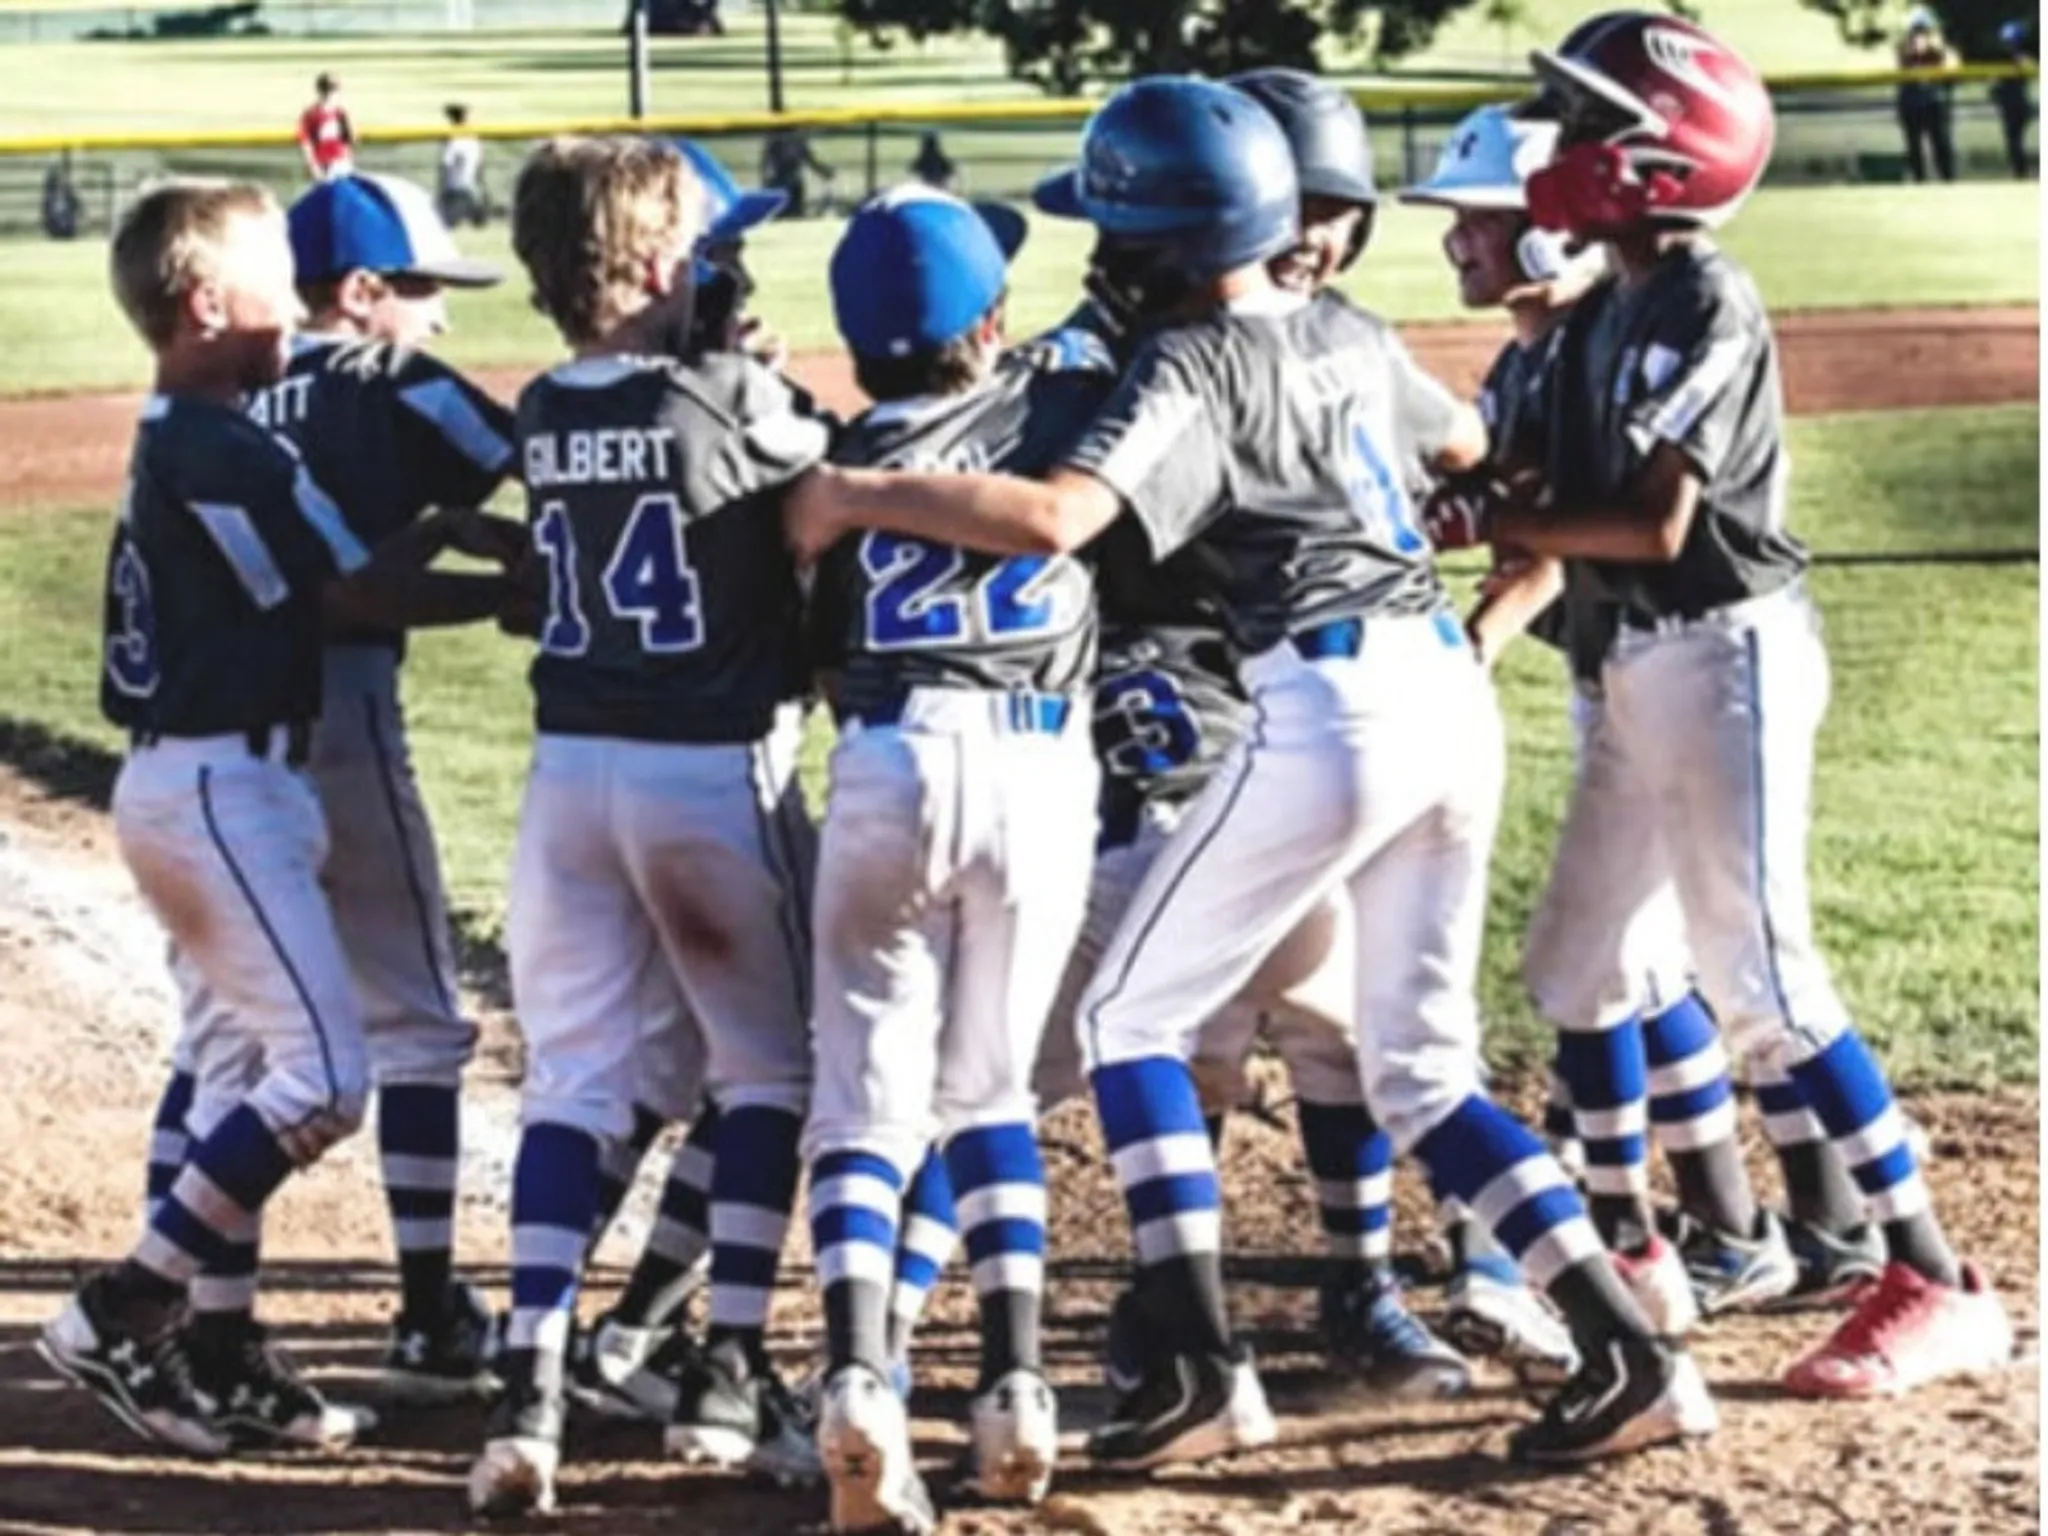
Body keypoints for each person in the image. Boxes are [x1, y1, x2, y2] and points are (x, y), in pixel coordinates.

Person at [784, 76, 1717, 1469]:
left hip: (1327, 705)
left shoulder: (1186, 361)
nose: (1107, 257)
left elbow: (1056, 518)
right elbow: (1468, 453)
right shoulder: (1348, 325)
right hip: (1444, 690)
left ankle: (1202, 1369)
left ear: (1163, 243)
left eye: (1121, 233)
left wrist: (851, 495)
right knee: (1422, 1071)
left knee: (1127, 1023)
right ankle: (1632, 1353)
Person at [1438, 9, 2013, 1399]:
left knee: (1762, 978)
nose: (1564, 147)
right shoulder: (1611, 306)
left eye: (1592, 125)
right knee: (1579, 960)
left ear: (1664, 157)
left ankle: (1933, 1278)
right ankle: (1636, 1253)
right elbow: (1544, 484)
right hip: (1642, 663)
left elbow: (1653, 524)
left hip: (1723, 652)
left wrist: (1489, 520)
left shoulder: (1702, 296)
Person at [37, 179, 485, 1456]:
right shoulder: (216, 447)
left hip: (211, 782)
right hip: (220, 789)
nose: (296, 306)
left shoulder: (200, 433)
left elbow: (334, 576)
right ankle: (126, 1308)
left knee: (235, 1068)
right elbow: (351, 595)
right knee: (326, 1076)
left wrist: (455, 542)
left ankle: (215, 1353)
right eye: (273, 284)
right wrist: (509, 596)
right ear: (204, 305)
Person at [469, 135, 829, 1518]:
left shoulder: (539, 405)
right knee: (770, 1073)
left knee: (574, 1082)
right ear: (668, 261)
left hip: (571, 776)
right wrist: (754, 365)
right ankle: (727, 1367)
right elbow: (824, 464)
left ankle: (531, 1385)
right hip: (708, 771)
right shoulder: (725, 392)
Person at [802, 185, 1105, 1531]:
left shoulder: (832, 456)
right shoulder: (1064, 413)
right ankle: (1016, 1386)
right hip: (1037, 763)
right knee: (990, 1097)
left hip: (888, 755)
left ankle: (856, 1378)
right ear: (990, 324)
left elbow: (814, 645)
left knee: (864, 1106)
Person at [1895, 9, 1957, 183]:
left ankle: (1947, 178)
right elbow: (1899, 65)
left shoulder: (1942, 49)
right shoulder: (1904, 49)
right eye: (1916, 31)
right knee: (1914, 146)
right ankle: (1919, 179)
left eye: (1924, 31)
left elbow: (1953, 70)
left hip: (1935, 102)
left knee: (1941, 144)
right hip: (1912, 103)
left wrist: (1937, 50)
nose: (1920, 36)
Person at [762, 127, 837, 219]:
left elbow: (808, 158)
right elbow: (767, 166)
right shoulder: (777, 139)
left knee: (795, 213)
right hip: (782, 184)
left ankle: (795, 212)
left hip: (792, 184)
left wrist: (824, 171)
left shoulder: (795, 139)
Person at [1992, 21, 2035, 179]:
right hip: (2008, 104)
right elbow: (1995, 84)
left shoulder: (2022, 58)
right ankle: (2019, 170)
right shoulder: (2003, 60)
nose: (2007, 45)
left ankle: (2021, 170)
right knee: (2012, 139)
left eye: (2010, 41)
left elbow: (2030, 69)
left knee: (2015, 138)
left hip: (2018, 103)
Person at [297, 72, 356, 183]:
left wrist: (349, 159)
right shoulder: (311, 114)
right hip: (322, 164)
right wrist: (312, 165)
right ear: (319, 90)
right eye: (326, 89)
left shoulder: (340, 113)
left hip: (341, 161)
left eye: (333, 89)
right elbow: (306, 142)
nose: (329, 93)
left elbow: (350, 140)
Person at [438, 103, 487, 227]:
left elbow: (446, 165)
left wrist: (441, 188)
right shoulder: (474, 139)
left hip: (455, 189)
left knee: (447, 224)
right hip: (471, 189)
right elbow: (480, 167)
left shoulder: (454, 141)